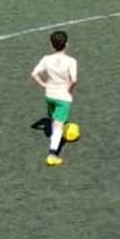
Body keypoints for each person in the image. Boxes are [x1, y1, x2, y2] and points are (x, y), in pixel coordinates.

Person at [29, 30, 79, 167]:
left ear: (51, 45)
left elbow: (34, 74)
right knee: (58, 126)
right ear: (67, 44)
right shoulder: (71, 61)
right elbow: (74, 80)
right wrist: (69, 90)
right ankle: (52, 154)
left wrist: (44, 85)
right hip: (63, 97)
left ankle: (54, 137)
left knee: (53, 119)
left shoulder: (46, 59)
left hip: (50, 94)